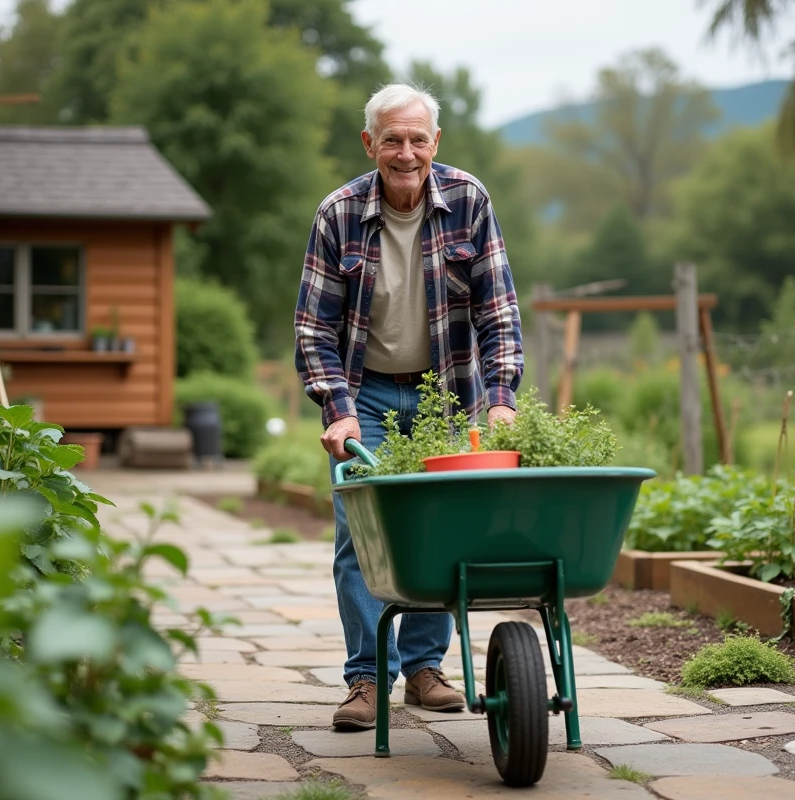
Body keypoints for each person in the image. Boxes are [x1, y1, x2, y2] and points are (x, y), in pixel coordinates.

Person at [293, 83, 524, 731]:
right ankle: (366, 679)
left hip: (442, 392)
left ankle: (424, 670)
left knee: (441, 530)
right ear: (369, 144)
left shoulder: (469, 202)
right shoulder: (337, 213)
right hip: (362, 391)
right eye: (391, 139)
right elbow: (314, 329)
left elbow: (499, 313)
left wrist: (501, 400)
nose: (405, 152)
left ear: (435, 144)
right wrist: (335, 408)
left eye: (417, 139)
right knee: (361, 534)